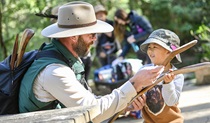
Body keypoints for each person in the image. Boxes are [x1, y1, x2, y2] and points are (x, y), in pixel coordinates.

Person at [18, 1, 164, 123]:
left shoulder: (62, 59)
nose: (95, 40)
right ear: (74, 36)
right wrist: (135, 83)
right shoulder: (55, 71)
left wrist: (125, 106)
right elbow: (93, 111)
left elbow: (89, 102)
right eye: (92, 34)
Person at [140, 29, 184, 122]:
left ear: (168, 52)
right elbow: (135, 93)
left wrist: (168, 83)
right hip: (149, 121)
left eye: (155, 47)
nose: (150, 50)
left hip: (172, 120)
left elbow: (171, 101)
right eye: (149, 47)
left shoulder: (177, 75)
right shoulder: (144, 71)